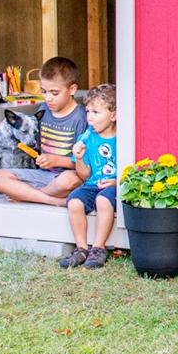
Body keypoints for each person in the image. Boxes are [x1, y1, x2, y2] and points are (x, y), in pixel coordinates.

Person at [0, 56, 86, 206]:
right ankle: (53, 200)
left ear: (72, 89)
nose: (48, 98)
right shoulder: (43, 110)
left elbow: (86, 165)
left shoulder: (81, 117)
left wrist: (56, 160)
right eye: (44, 92)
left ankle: (26, 194)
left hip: (68, 175)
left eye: (54, 93)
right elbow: (29, 139)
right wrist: (2, 130)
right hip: (42, 175)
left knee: (67, 181)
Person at [58, 84, 118, 269]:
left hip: (114, 186)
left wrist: (117, 181)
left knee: (102, 201)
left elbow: (133, 168)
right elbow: (84, 175)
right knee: (74, 201)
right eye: (88, 111)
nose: (90, 117)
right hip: (92, 183)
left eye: (96, 112)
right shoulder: (87, 136)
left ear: (113, 115)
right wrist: (78, 158)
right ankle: (81, 249)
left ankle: (98, 248)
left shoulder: (123, 137)